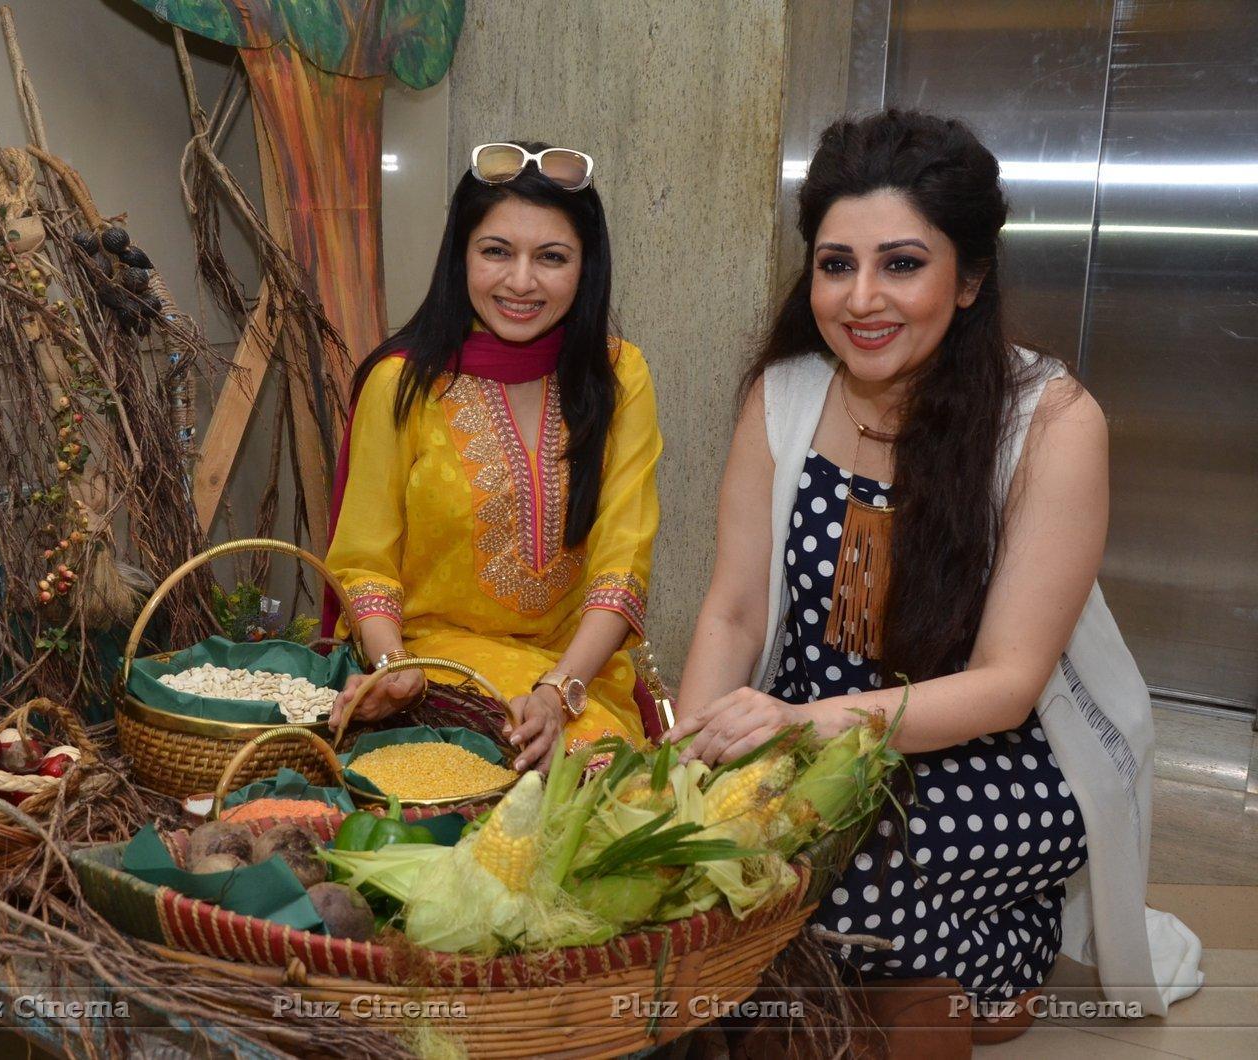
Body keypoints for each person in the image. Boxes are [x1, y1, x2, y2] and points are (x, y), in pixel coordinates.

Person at [670, 109, 1188, 1043]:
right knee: (704, 847)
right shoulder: (782, 395)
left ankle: (977, 959)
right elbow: (736, 611)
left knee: (834, 855)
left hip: (983, 752)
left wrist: (799, 724)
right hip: (807, 741)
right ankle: (913, 975)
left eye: (902, 264)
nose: (862, 298)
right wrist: (688, 758)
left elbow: (1007, 685)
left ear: (970, 280)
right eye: (837, 265)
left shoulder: (1053, 422)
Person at [323, 141, 661, 771]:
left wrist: (562, 688)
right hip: (435, 667)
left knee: (617, 783)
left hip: (579, 676)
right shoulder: (401, 383)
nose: (521, 282)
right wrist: (394, 668)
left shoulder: (618, 377)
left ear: (587, 267)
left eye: (552, 257)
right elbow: (364, 561)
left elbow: (624, 559)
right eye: (496, 252)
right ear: (461, 257)